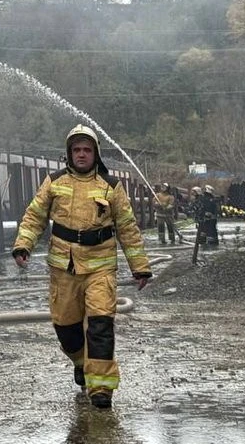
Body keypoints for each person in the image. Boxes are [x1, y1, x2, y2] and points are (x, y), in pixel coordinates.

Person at [11, 124, 152, 409]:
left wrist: (140, 266)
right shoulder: (54, 182)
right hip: (64, 269)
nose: (82, 154)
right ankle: (80, 362)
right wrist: (23, 245)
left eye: (87, 149)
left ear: (95, 153)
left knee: (101, 326)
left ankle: (101, 389)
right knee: (67, 330)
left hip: (101, 269)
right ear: (69, 153)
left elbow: (127, 227)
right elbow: (34, 216)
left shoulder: (111, 187)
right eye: (77, 150)